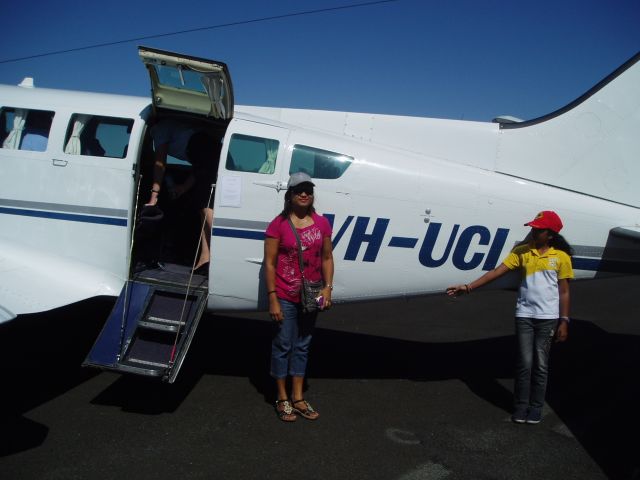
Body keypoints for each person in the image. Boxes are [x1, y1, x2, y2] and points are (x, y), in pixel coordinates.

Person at [446, 210, 574, 425]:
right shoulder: (522, 252)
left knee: (541, 365)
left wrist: (564, 321)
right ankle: (521, 407)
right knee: (524, 363)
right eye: (533, 228)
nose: (533, 231)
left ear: (550, 234)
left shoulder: (560, 257)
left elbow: (564, 292)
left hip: (547, 318)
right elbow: (497, 272)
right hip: (524, 315)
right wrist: (468, 287)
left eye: (538, 229)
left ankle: (536, 407)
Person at [264, 172, 334, 422]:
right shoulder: (278, 225)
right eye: (298, 190)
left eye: (308, 190)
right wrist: (272, 296)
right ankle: (282, 398)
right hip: (284, 294)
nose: (304, 194)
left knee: (303, 345)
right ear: (290, 195)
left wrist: (328, 288)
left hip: (312, 294)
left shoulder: (322, 224)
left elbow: (326, 257)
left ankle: (298, 397)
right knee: (283, 344)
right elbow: (270, 264)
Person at [146, 117, 219, 274]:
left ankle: (221, 253)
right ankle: (205, 258)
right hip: (208, 153)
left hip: (205, 151)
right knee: (203, 207)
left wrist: (154, 194)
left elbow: (160, 163)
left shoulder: (159, 129)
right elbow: (199, 166)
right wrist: (184, 188)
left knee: (206, 206)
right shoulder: (179, 129)